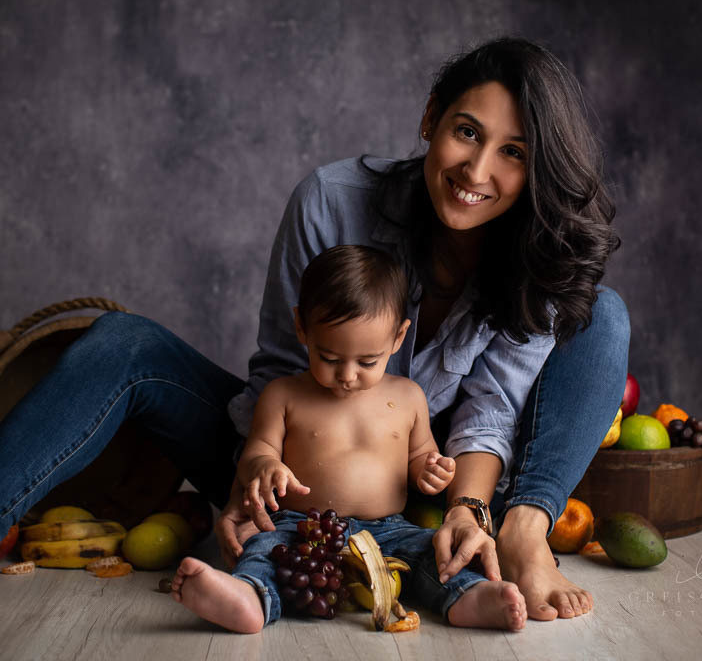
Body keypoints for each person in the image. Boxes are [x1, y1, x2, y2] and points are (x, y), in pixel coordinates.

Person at [0, 36, 627, 633]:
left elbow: (490, 408)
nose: (478, 170)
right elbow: (279, 366)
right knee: (122, 342)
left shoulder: (540, 254)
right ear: (430, 119)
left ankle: (524, 534)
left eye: (514, 153)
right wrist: (252, 477)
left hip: (435, 476)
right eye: (467, 131)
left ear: (538, 168)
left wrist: (474, 507)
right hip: (290, 466)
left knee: (605, 315)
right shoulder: (332, 201)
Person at [171, 244, 526, 633]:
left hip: (390, 528)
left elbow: (420, 454)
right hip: (299, 525)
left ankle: (468, 597)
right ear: (302, 327)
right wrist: (265, 465)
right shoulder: (283, 395)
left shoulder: (408, 397)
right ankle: (249, 597)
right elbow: (258, 449)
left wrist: (429, 470)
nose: (348, 374)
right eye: (330, 358)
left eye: (367, 362)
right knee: (262, 549)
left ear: (397, 337)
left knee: (433, 551)